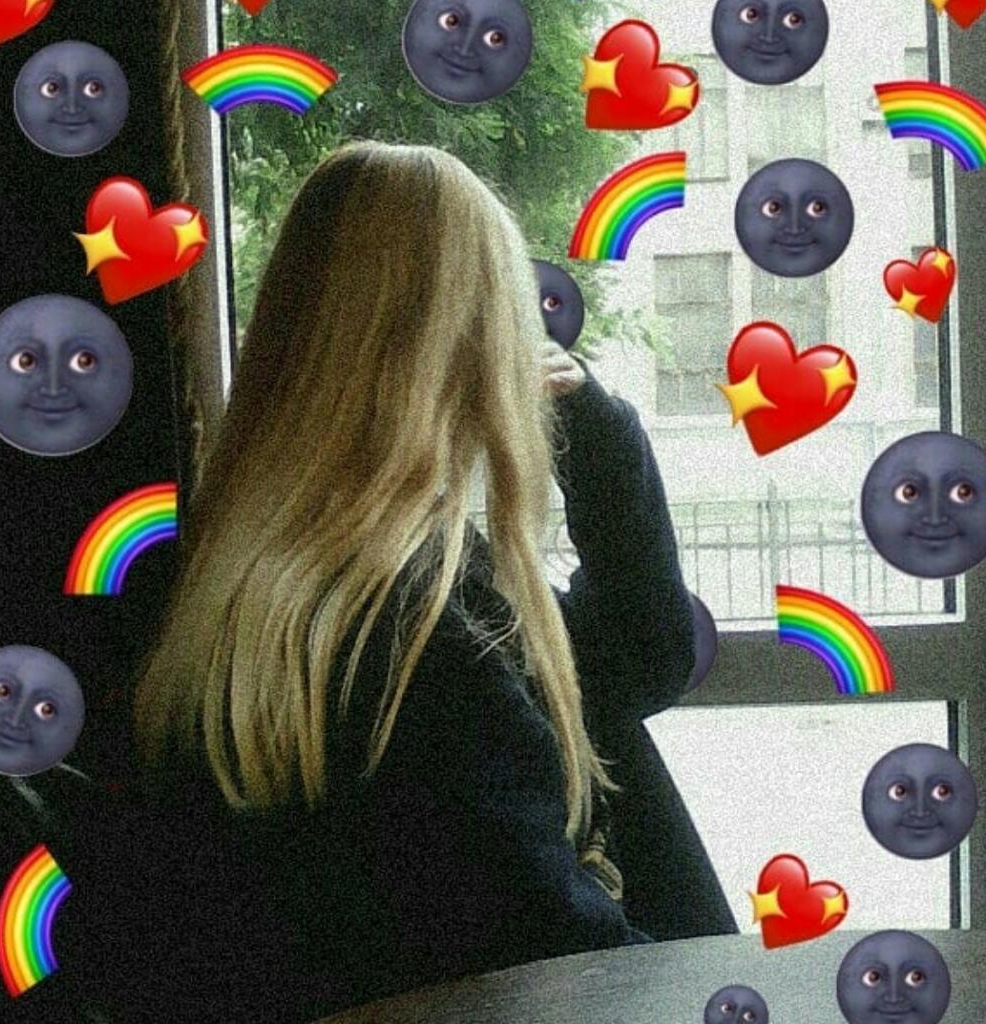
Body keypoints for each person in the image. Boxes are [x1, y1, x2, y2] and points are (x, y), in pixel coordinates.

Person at [123, 140, 702, 1022]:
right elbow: (566, 961)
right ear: (461, 349)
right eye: (507, 318)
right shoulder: (422, 637)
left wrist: (596, 425)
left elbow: (630, 666)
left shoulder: (260, 583)